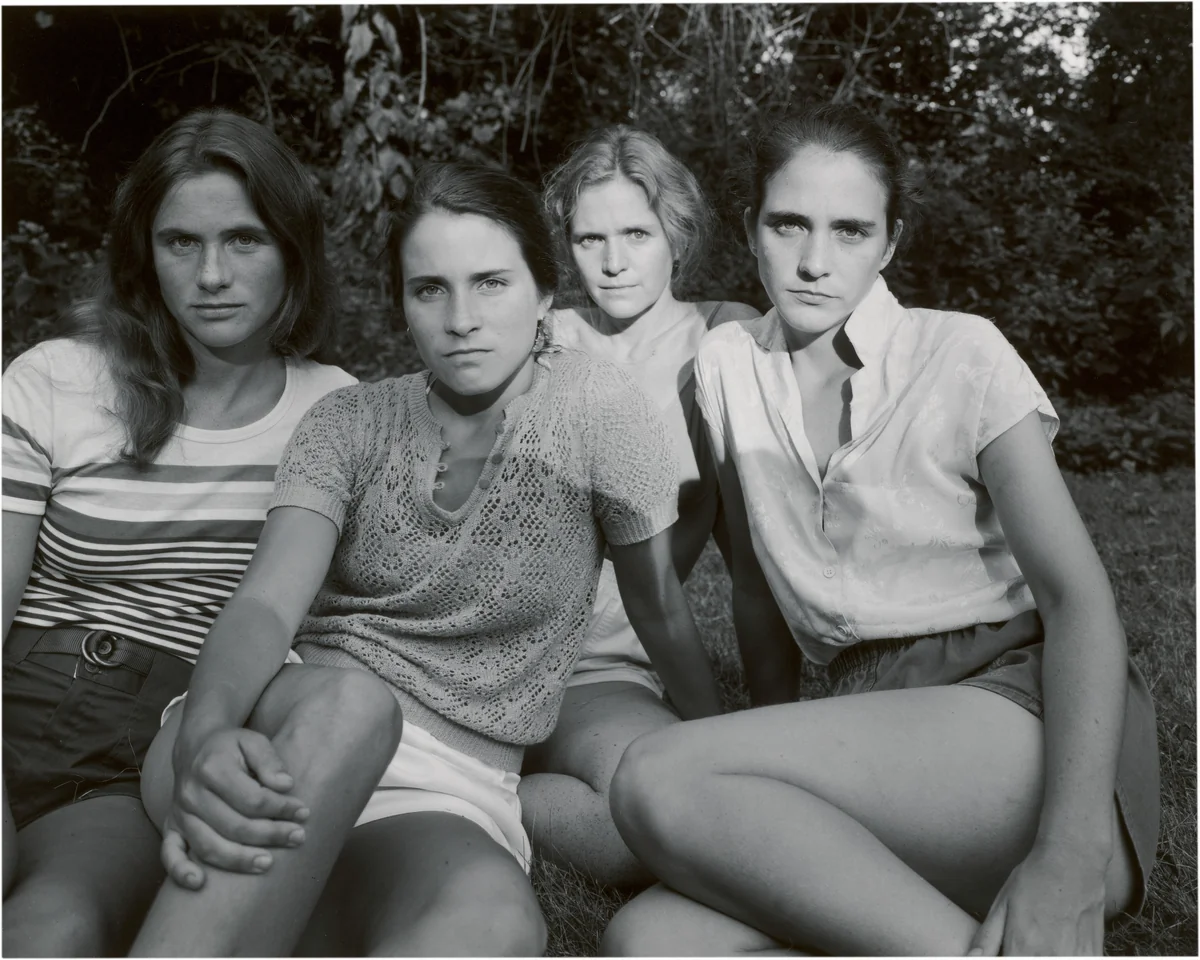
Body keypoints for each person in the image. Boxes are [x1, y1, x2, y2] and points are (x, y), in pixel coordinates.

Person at [603, 102, 1160, 956]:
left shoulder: (961, 353)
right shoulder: (724, 368)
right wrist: (767, 746)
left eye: (851, 231)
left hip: (1022, 716)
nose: (816, 261)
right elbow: (753, 587)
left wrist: (1069, 854)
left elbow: (1078, 597)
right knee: (652, 941)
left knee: (656, 775)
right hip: (881, 739)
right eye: (790, 224)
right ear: (752, 228)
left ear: (891, 242)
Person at [130, 160, 723, 957]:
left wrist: (728, 758)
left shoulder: (595, 408)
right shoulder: (350, 421)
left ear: (546, 292)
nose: (461, 318)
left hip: (448, 783)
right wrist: (205, 733)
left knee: (496, 928)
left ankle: (287, 913)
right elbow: (269, 602)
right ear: (403, 301)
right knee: (352, 707)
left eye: (491, 284)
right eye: (430, 289)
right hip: (279, 726)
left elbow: (658, 607)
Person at [1, 108, 354, 957]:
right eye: (180, 244)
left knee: (55, 930)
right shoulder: (59, 380)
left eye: (244, 240)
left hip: (144, 752)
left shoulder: (335, 409)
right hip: (19, 692)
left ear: (292, 251)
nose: (212, 275)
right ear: (143, 254)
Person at [518, 126, 758, 886]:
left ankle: (494, 799)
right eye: (590, 238)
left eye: (636, 234)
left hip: (601, 673)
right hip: (479, 650)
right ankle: (465, 787)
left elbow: (751, 564)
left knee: (664, 832)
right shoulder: (534, 338)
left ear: (676, 236)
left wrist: (753, 735)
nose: (613, 261)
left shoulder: (724, 339)